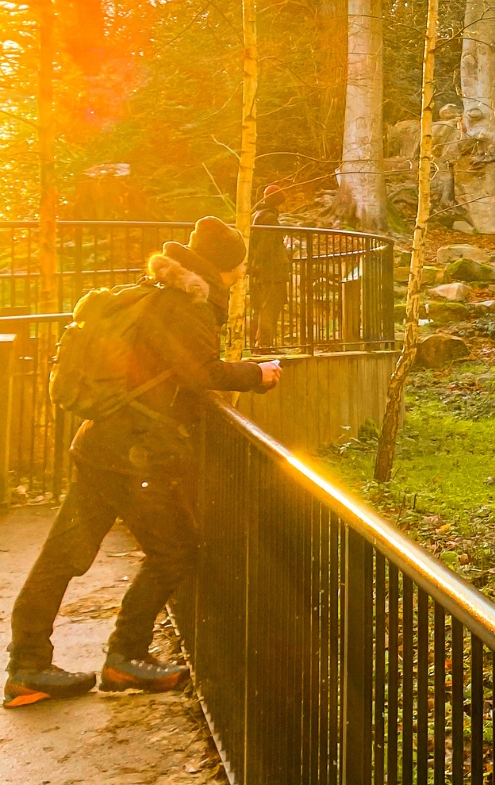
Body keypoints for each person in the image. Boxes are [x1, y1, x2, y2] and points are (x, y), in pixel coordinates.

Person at [4, 218, 282, 707]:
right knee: (176, 549)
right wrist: (256, 374)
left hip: (102, 445)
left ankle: (28, 665)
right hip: (134, 453)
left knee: (61, 557)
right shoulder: (186, 305)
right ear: (222, 267)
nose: (240, 276)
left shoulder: (158, 292)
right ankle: (124, 658)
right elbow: (199, 372)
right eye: (238, 268)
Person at [249, 185, 291, 350]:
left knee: (260, 307)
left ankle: (256, 343)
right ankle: (264, 344)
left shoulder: (257, 216)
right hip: (272, 270)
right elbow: (265, 247)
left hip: (262, 270)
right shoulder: (269, 219)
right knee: (270, 306)